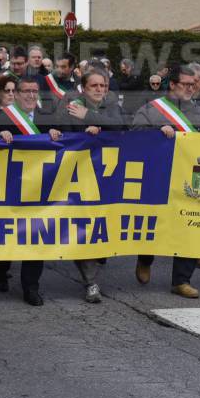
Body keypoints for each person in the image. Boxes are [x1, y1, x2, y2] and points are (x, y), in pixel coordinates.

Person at [131, 65, 200, 299]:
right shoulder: (151, 110)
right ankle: (145, 259)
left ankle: (181, 280)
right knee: (155, 224)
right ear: (172, 85)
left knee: (191, 226)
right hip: (158, 176)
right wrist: (155, 131)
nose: (190, 89)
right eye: (185, 84)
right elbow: (133, 136)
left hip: (190, 179)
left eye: (193, 85)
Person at [0, 75, 61, 306]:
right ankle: (0, 269)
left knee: (36, 237)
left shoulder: (48, 117)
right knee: (9, 235)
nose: (31, 95)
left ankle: (31, 287)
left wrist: (56, 133)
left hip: (40, 188)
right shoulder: (1, 117)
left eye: (35, 91)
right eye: (26, 91)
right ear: (17, 94)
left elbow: (68, 141)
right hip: (9, 187)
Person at [55, 68, 126, 302]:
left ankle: (96, 261)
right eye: (94, 86)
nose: (99, 90)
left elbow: (120, 128)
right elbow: (64, 137)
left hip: (107, 175)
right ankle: (91, 282)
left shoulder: (112, 106)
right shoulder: (70, 106)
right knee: (84, 226)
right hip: (79, 175)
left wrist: (91, 117)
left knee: (102, 224)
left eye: (103, 86)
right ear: (84, 88)